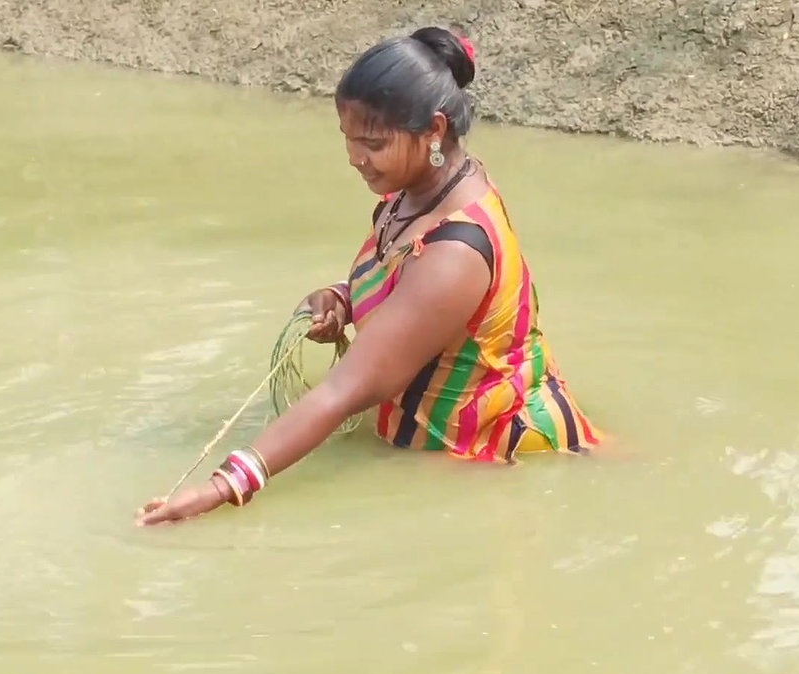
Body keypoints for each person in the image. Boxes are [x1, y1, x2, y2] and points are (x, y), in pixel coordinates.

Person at [136, 26, 607, 527]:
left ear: (434, 131)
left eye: (374, 142)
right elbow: (399, 288)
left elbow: (347, 389)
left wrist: (222, 487)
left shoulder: (454, 252)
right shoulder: (408, 196)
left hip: (495, 457)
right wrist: (341, 298)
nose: (355, 158)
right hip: (429, 442)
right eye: (349, 139)